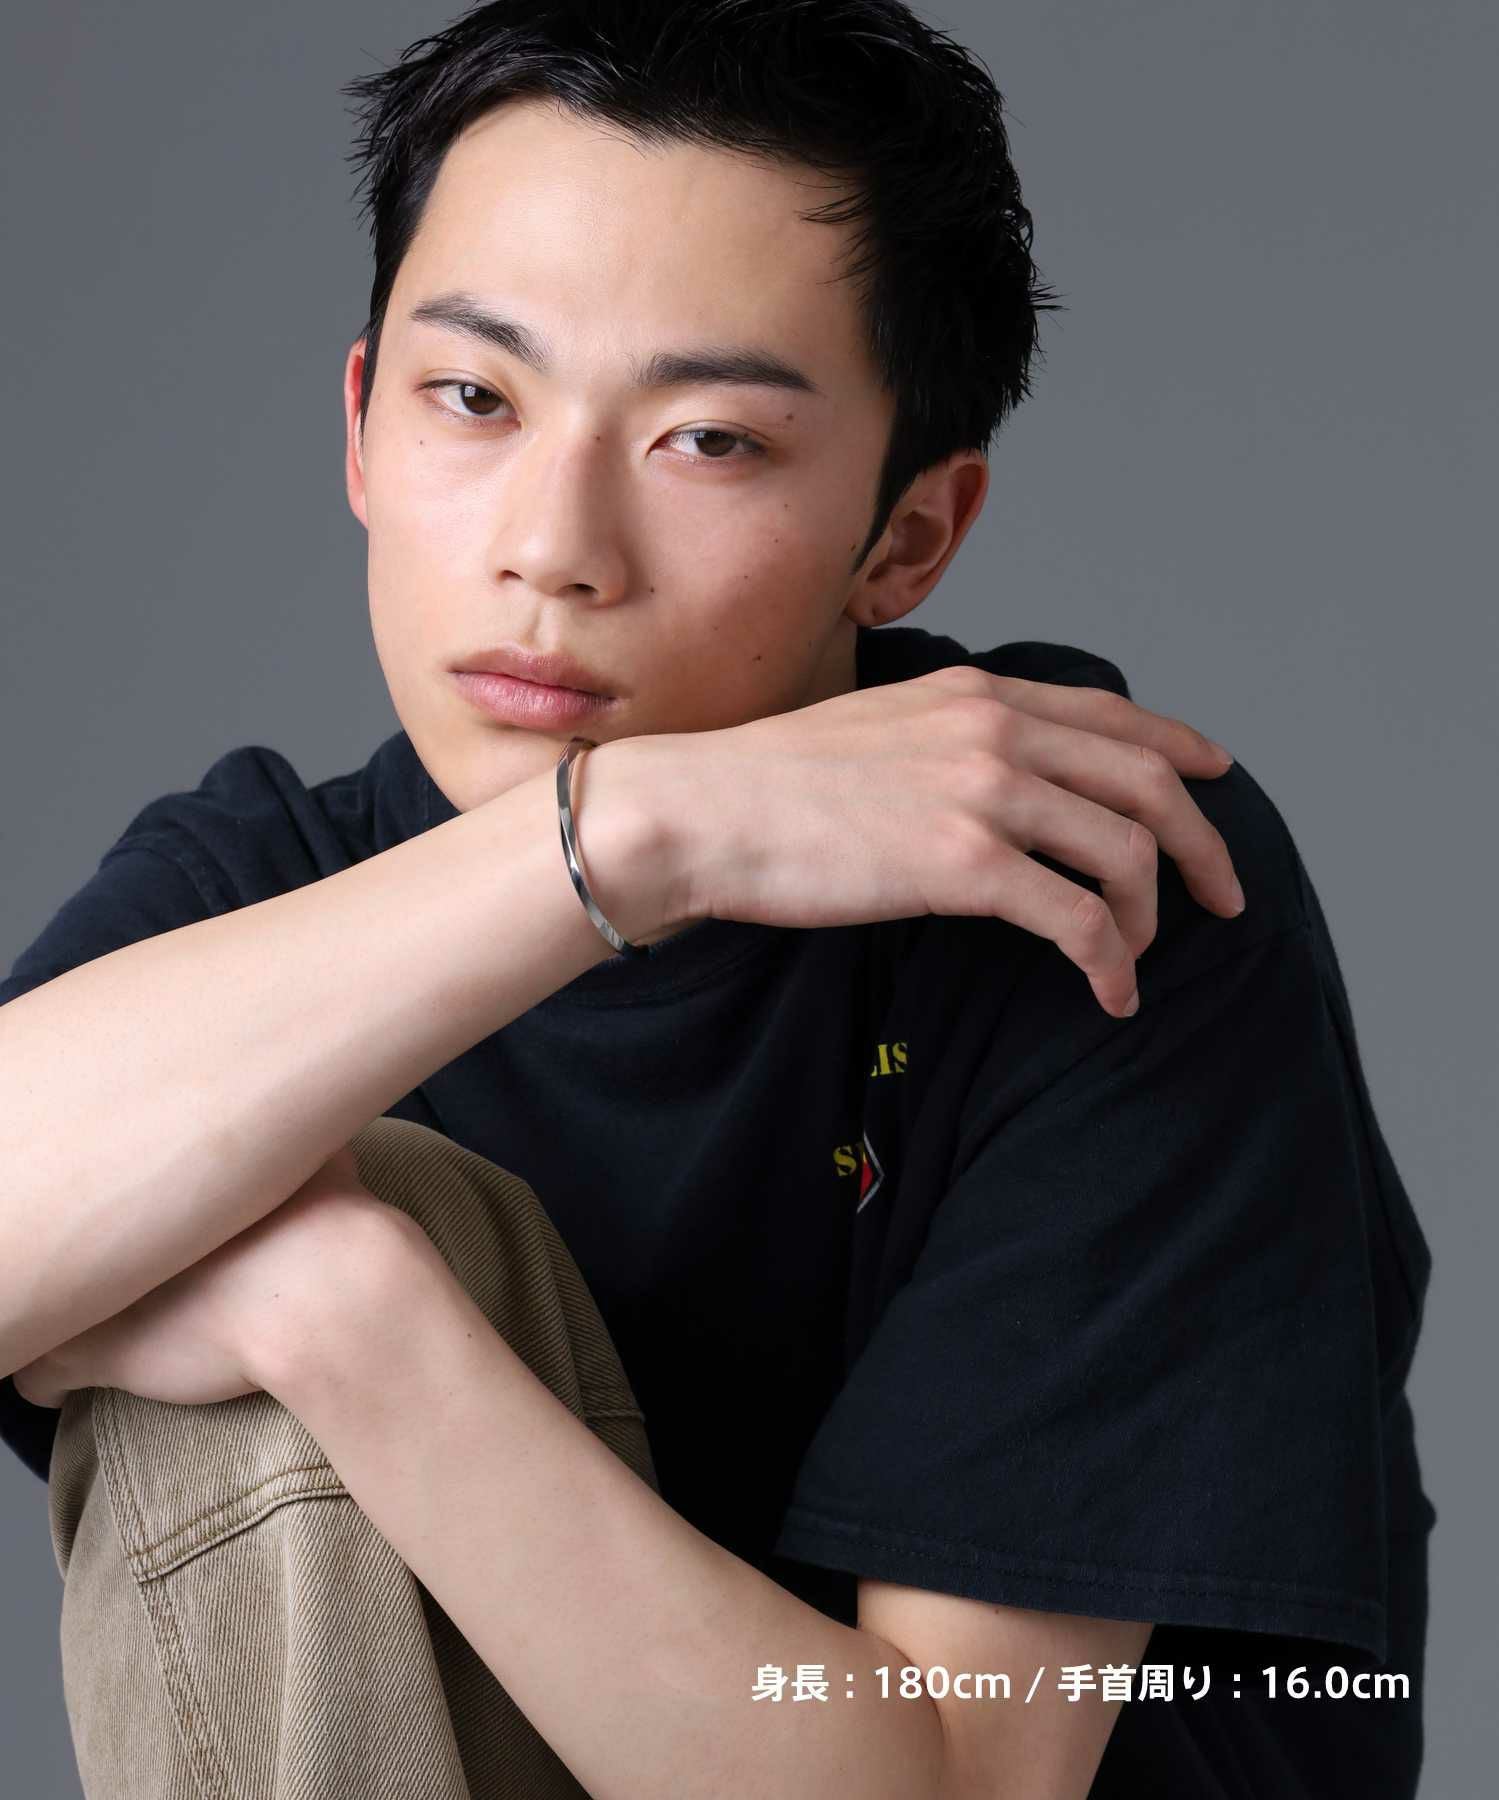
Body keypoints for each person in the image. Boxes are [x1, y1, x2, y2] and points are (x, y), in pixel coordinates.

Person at [0, 3, 1434, 1796]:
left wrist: (351, 1319)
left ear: (908, 537)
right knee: (202, 1137)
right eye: (475, 399)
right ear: (361, 427)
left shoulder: (1083, 870)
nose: (552, 547)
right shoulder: (268, 885)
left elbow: (956, 1786)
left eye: (708, 442)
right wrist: (633, 835)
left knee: (294, 1205)